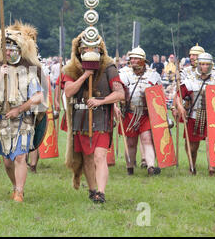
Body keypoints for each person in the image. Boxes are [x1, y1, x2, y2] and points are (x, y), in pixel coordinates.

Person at [0, 21, 45, 202]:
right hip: (2, 121)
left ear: (19, 51)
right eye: (5, 50)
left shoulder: (29, 72)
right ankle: (14, 185)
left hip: (23, 121)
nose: (8, 53)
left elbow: (38, 97)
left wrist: (20, 109)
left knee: (19, 157)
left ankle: (19, 191)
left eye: (11, 50)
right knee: (8, 162)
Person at [63, 31, 125, 203]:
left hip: (101, 118)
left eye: (94, 49)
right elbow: (68, 91)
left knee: (99, 156)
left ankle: (101, 192)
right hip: (81, 119)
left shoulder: (109, 68)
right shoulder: (72, 69)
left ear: (100, 50)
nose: (89, 52)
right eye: (85, 49)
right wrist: (85, 75)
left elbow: (120, 94)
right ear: (79, 51)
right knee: (88, 158)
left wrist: (102, 101)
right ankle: (92, 191)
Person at [116, 47, 162, 176]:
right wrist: (116, 106)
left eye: (136, 58)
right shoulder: (123, 74)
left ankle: (151, 167)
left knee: (147, 139)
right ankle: (130, 167)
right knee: (131, 142)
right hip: (129, 113)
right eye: (132, 58)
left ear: (143, 60)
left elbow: (159, 96)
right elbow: (116, 92)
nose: (133, 61)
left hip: (146, 113)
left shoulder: (153, 75)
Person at [172, 52, 215, 176]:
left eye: (206, 64)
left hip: (212, 117)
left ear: (211, 65)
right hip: (194, 116)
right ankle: (192, 167)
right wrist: (180, 106)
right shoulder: (191, 80)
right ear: (198, 65)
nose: (204, 66)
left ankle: (211, 168)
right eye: (202, 64)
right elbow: (178, 94)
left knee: (212, 142)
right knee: (193, 148)